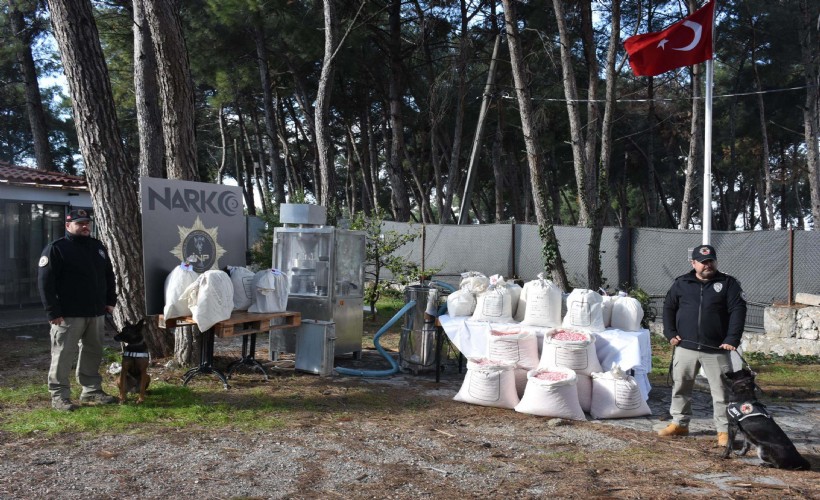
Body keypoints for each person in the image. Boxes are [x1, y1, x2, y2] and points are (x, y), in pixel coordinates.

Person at [658, 244, 747, 446]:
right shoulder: (681, 283)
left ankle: (724, 432)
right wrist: (670, 333)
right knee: (680, 387)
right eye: (703, 262)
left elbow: (738, 311)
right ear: (693, 263)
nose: (708, 265)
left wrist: (732, 339)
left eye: (711, 261)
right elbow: (668, 308)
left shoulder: (728, 283)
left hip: (716, 350)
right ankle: (680, 424)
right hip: (685, 347)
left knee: (722, 393)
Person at [38, 209, 118, 411]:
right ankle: (59, 396)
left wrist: (110, 300)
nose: (85, 226)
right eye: (79, 223)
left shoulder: (97, 247)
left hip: (95, 312)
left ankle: (91, 391)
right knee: (63, 354)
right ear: (68, 226)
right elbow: (45, 283)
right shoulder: (56, 249)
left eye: (87, 223)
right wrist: (52, 312)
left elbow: (108, 275)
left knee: (93, 351)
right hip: (67, 314)